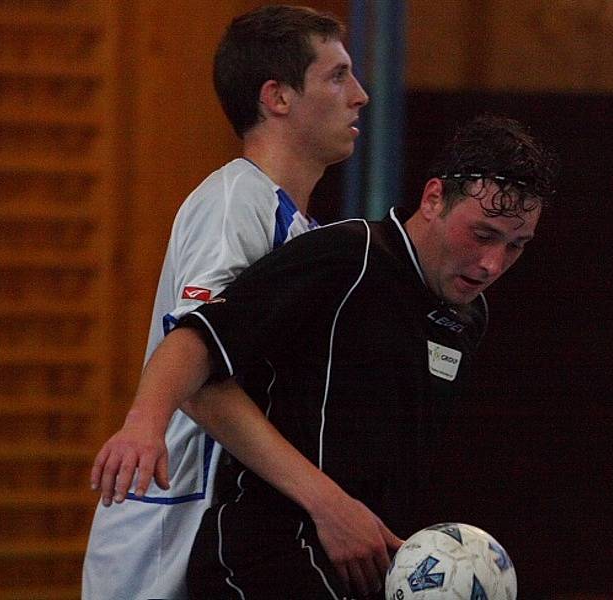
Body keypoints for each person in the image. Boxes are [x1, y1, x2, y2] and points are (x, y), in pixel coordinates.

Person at [101, 114, 558, 599]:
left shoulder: (468, 316)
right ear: (433, 199)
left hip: (362, 571)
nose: (492, 264)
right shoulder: (349, 257)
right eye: (482, 235)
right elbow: (198, 339)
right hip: (267, 561)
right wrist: (144, 424)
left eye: (516, 246)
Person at [82, 5, 368, 599]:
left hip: (222, 528)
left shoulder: (300, 229)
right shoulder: (237, 201)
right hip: (168, 539)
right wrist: (326, 501)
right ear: (277, 97)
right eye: (337, 76)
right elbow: (195, 372)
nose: (360, 95)